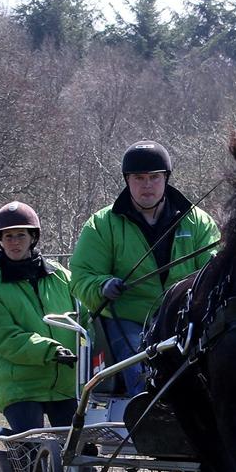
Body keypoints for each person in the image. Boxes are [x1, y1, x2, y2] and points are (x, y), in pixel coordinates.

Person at [69, 140, 221, 394]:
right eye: (139, 178)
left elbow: (213, 271)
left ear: (166, 179)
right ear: (127, 180)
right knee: (142, 379)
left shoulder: (198, 222)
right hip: (128, 320)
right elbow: (81, 277)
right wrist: (102, 286)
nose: (147, 185)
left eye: (154, 177)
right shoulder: (101, 225)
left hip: (186, 321)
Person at [0, 200, 79, 433]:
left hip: (64, 384)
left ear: (33, 237)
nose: (14, 242)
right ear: (0, 241)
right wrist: (50, 350)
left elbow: (88, 314)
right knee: (31, 452)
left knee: (80, 453)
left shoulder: (62, 277)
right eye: (8, 237)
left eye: (20, 235)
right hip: (20, 387)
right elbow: (5, 338)